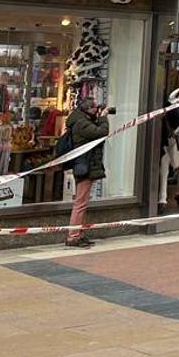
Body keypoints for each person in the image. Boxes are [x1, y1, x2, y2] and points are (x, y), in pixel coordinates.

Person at [65, 96, 110, 249]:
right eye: (94, 108)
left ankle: (79, 234)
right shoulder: (81, 123)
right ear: (87, 109)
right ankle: (73, 236)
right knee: (80, 203)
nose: (96, 110)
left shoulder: (81, 120)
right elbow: (101, 132)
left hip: (86, 164)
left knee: (82, 202)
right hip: (84, 165)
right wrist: (103, 118)